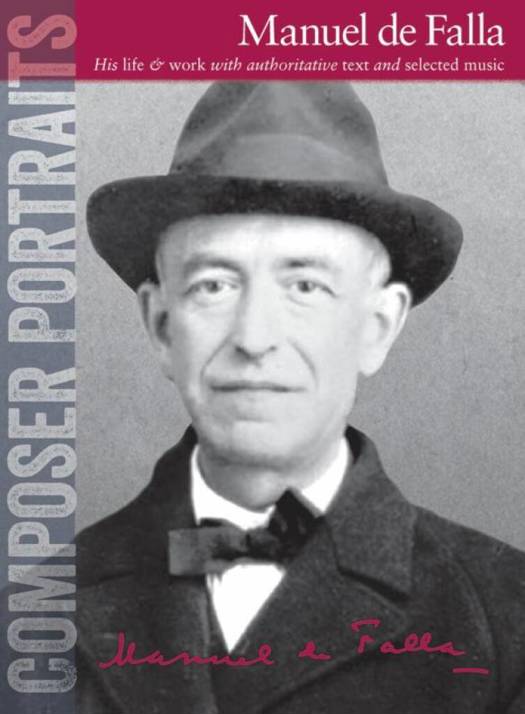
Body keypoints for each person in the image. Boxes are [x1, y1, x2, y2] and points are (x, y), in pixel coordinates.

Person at [76, 82, 525, 713]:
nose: (254, 338)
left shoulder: (506, 621)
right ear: (161, 325)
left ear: (378, 327)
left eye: (306, 286)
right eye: (213, 285)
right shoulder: (36, 614)